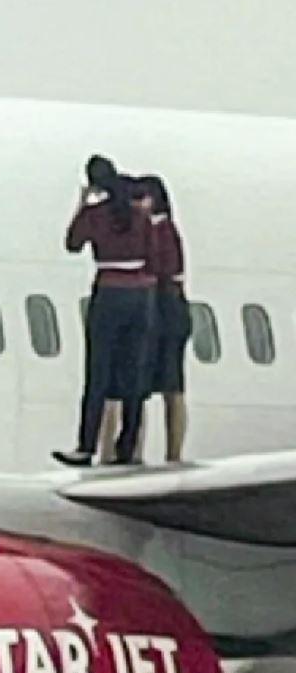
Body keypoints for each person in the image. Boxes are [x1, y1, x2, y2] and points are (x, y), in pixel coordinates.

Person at [52, 156, 157, 467]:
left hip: (109, 291)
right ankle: (127, 446)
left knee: (98, 373)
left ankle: (86, 446)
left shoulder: (96, 215)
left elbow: (72, 243)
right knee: (133, 374)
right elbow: (152, 254)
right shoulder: (139, 216)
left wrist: (82, 204)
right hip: (140, 294)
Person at [132, 175, 192, 462]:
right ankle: (141, 450)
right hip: (167, 304)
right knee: (160, 387)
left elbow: (157, 267)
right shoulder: (164, 230)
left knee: (168, 386)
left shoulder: (160, 231)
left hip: (164, 306)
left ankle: (169, 452)